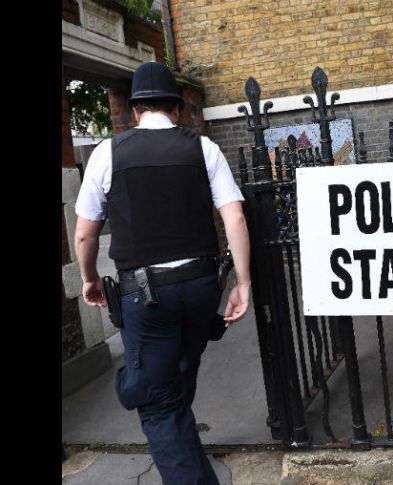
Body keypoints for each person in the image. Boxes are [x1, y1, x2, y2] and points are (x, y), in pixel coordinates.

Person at [74, 61, 251, 485]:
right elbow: (235, 220)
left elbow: (84, 235)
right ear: (176, 107)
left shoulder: (107, 152)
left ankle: (137, 388)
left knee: (155, 403)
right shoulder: (203, 147)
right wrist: (242, 283)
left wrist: (89, 279)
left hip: (147, 297)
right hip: (201, 288)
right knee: (175, 381)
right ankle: (139, 384)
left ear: (135, 111)